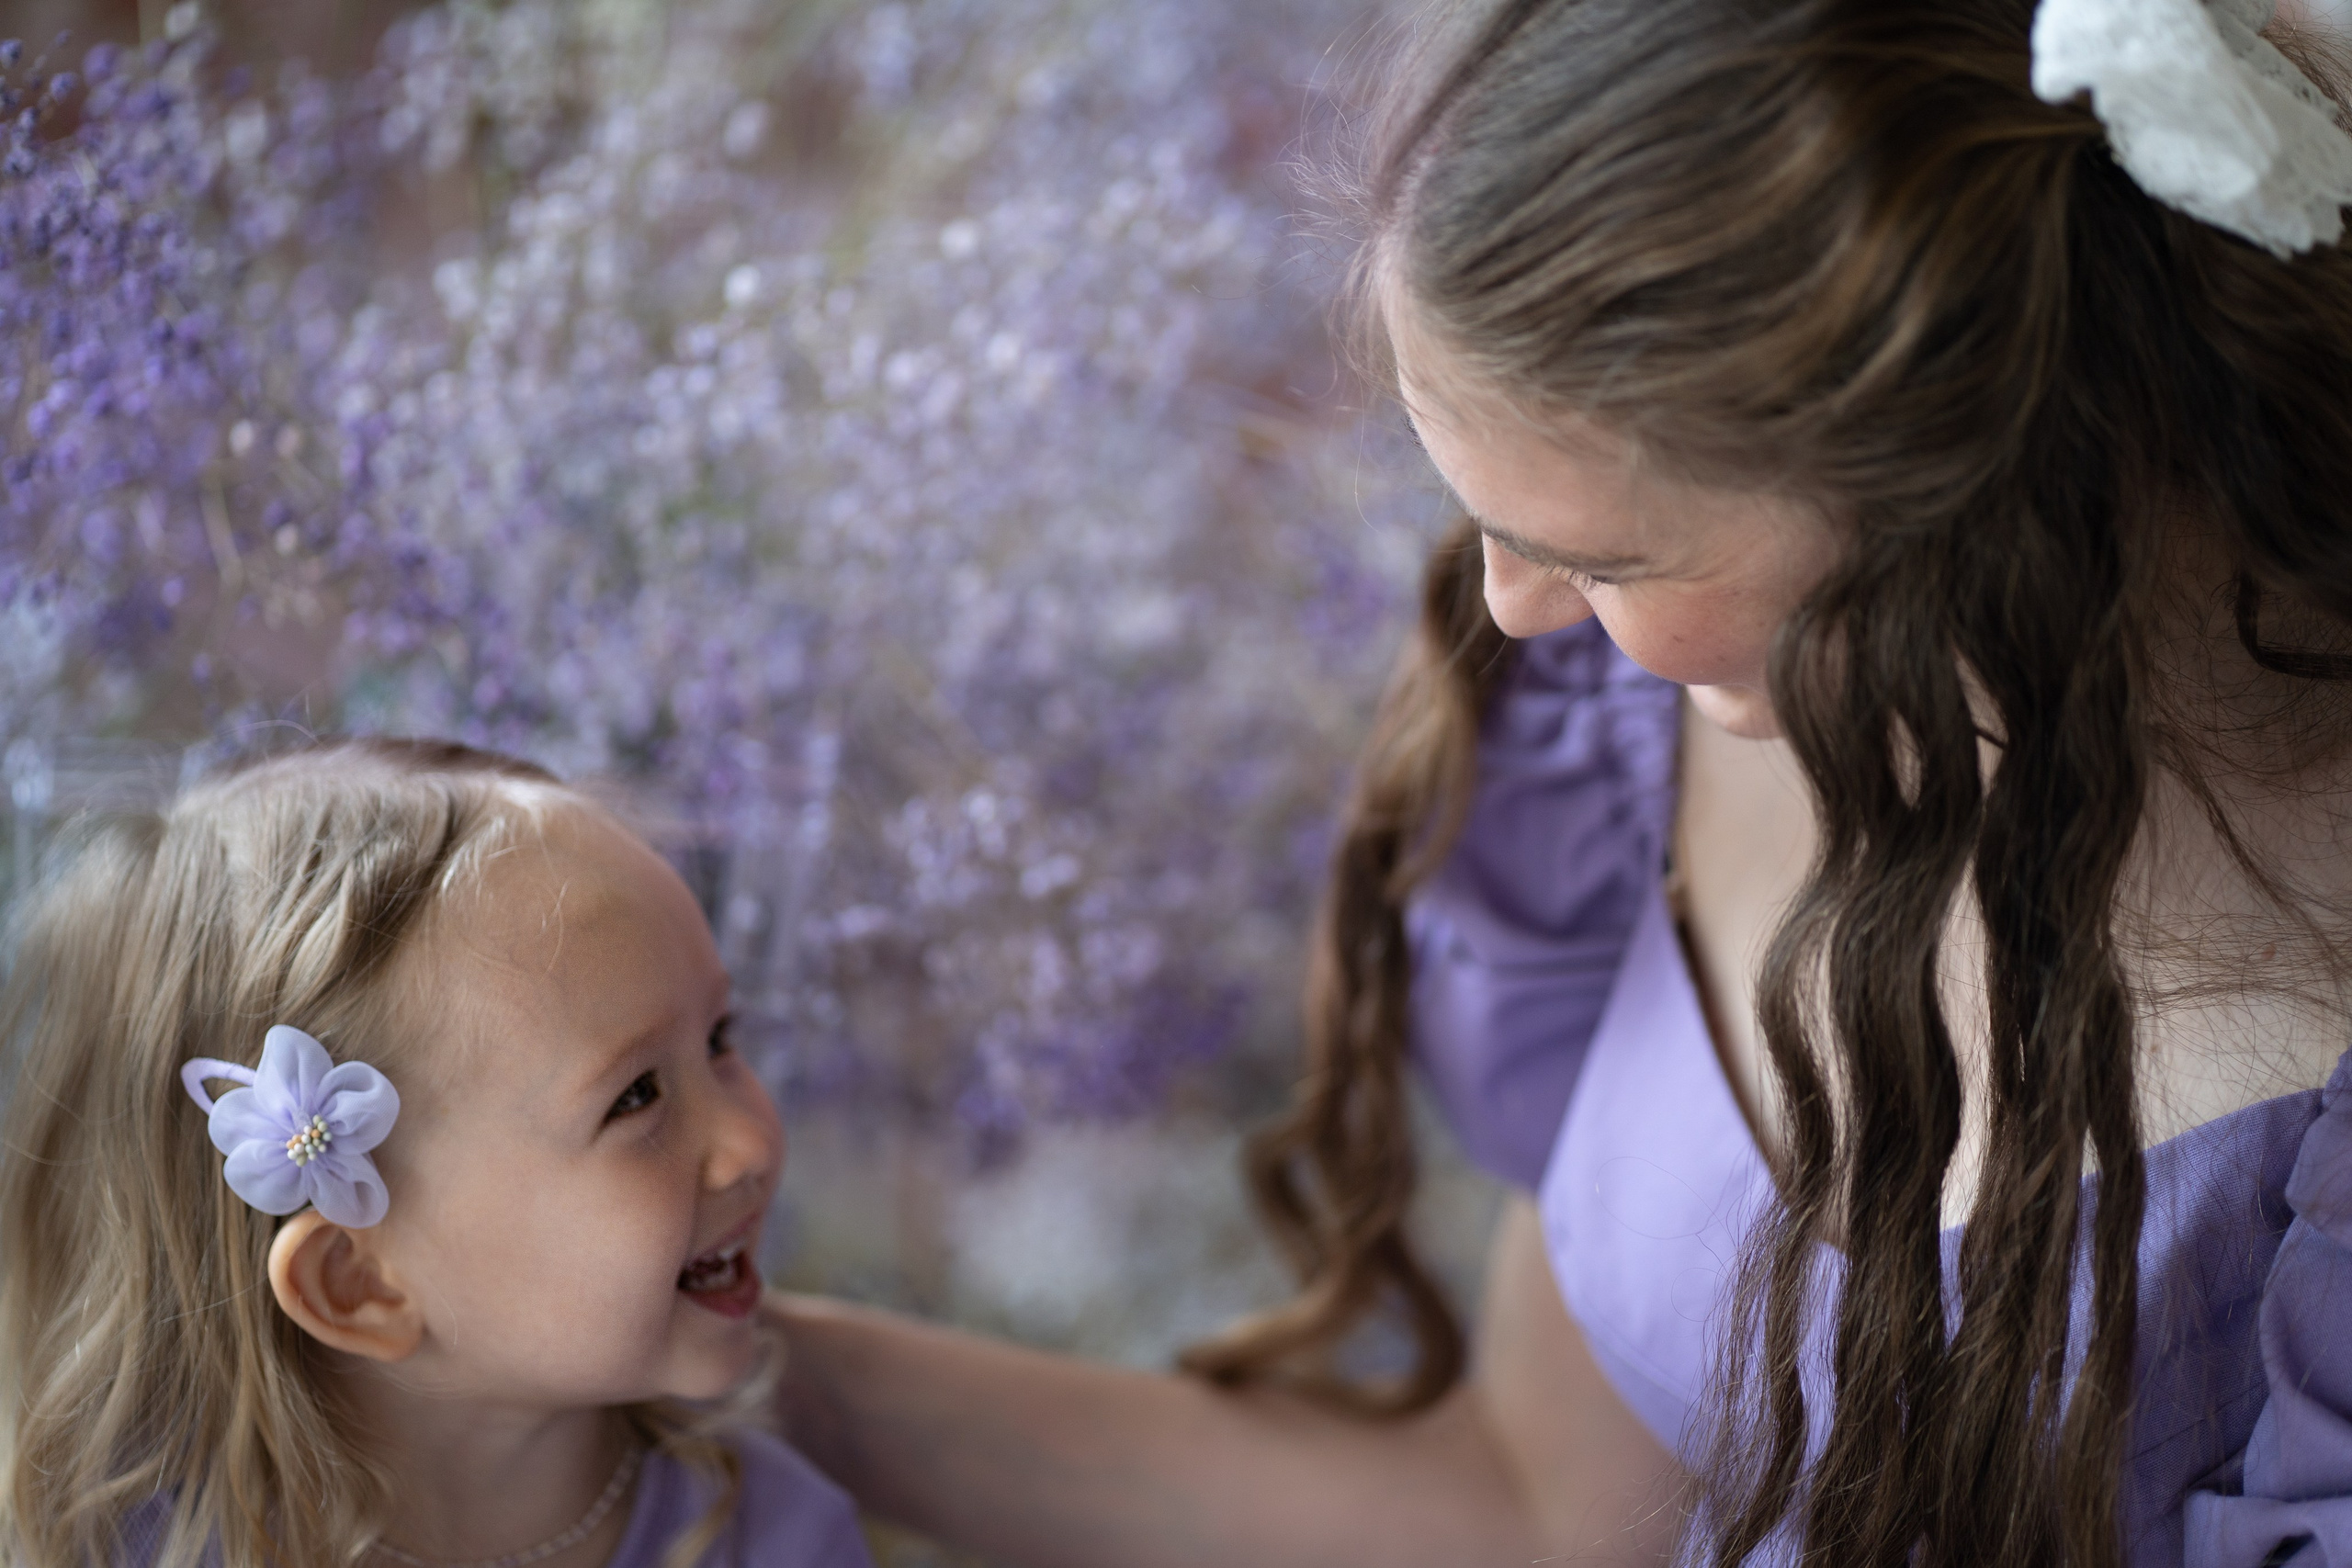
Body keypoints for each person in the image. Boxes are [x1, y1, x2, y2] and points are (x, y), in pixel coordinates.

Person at [766, 0, 2352, 1563]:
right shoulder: (1646, 709)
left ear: (1960, 494)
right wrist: (744, 1367)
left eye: (1597, 554)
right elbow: (1537, 1501)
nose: (1510, 606)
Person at [0, 738, 873, 1568]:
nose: (752, 1141)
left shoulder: (779, 1539)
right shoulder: (113, 1546)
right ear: (361, 1282)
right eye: (636, 1094)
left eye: (721, 1037)